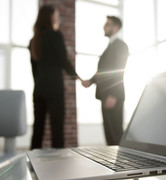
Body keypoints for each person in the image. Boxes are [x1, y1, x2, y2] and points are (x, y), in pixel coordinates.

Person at [29, 5, 81, 150]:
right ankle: (58, 165)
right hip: (54, 88)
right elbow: (63, 60)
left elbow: (34, 70)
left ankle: (32, 162)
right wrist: (77, 77)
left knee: (38, 128)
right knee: (56, 128)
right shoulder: (55, 35)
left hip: (39, 89)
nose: (58, 18)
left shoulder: (34, 40)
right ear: (50, 17)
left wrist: (39, 84)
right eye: (56, 15)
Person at [82, 16, 129, 145]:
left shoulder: (121, 46)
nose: (104, 26)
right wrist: (90, 81)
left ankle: (122, 164)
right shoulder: (110, 47)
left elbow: (119, 70)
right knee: (110, 136)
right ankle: (113, 165)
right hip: (106, 94)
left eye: (108, 24)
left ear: (116, 27)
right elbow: (104, 71)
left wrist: (113, 95)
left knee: (115, 135)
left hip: (113, 95)